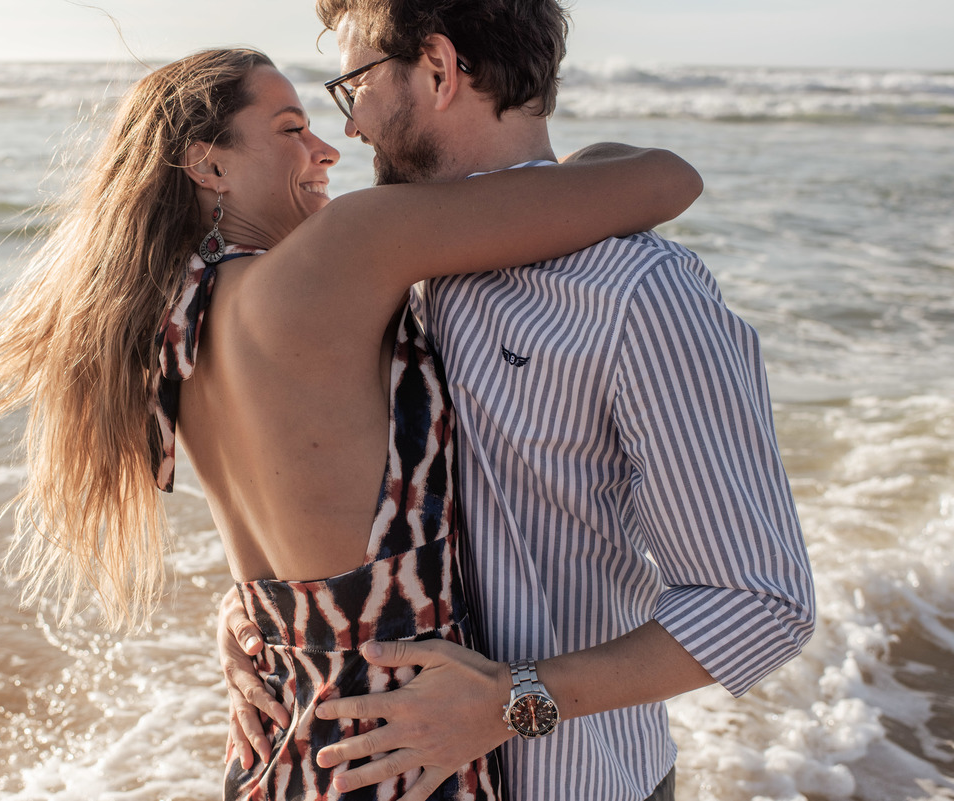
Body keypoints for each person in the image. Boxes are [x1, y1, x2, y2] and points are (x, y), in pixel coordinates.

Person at [0, 48, 702, 800]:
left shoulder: (164, 330)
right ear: (208, 164)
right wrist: (589, 158)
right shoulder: (340, 254)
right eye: (291, 129)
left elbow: (290, 552)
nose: (327, 150)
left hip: (279, 747)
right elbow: (668, 180)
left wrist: (237, 623)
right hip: (404, 754)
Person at [219, 3, 817, 800]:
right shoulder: (385, 277)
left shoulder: (638, 293)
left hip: (579, 780)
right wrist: (263, 610)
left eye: (355, 82)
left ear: (437, 67)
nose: (352, 126)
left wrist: (514, 701)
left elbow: (762, 602)